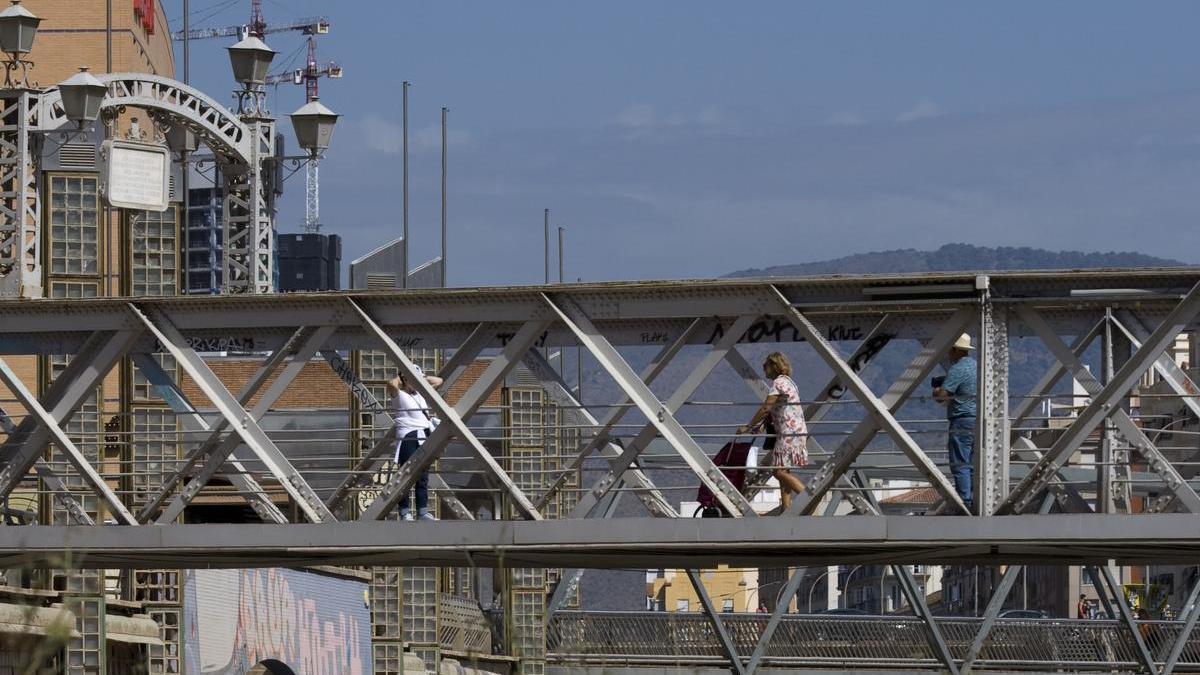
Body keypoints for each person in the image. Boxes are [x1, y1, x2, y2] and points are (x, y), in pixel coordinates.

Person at [738, 352, 807, 511]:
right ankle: (786, 507)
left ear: (774, 366)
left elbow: (766, 408)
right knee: (785, 471)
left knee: (778, 472)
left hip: (788, 432)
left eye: (766, 366)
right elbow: (778, 408)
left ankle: (807, 497)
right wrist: (763, 424)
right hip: (796, 430)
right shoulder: (789, 382)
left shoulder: (777, 384)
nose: (764, 370)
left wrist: (748, 427)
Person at [387, 365, 445, 521]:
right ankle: (405, 512)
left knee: (422, 476)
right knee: (405, 474)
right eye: (413, 379)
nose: (417, 383)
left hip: (424, 435)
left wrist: (421, 377)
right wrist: (402, 377)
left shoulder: (421, 394)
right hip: (408, 436)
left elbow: (439, 381)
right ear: (405, 379)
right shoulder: (399, 395)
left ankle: (422, 511)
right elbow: (391, 384)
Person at [933, 333, 977, 513]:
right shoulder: (976, 366)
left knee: (960, 463)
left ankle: (964, 503)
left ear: (955, 350)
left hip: (961, 420)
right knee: (973, 463)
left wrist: (937, 391)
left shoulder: (957, 369)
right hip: (978, 420)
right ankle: (975, 500)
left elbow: (943, 396)